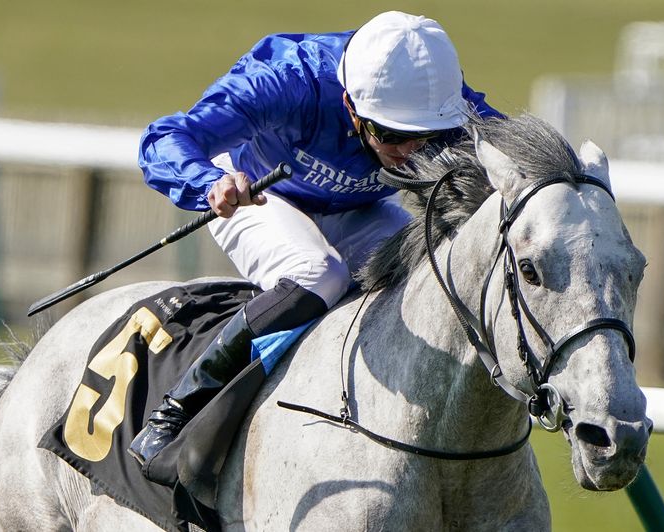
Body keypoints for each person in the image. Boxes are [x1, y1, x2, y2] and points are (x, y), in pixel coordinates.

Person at [128, 11, 502, 467]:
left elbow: (521, 163)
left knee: (434, 267)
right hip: (259, 195)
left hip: (354, 211)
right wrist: (209, 182)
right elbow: (165, 137)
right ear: (349, 104)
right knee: (320, 272)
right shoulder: (289, 79)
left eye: (423, 137)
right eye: (389, 134)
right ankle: (178, 411)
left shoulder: (445, 101)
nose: (407, 153)